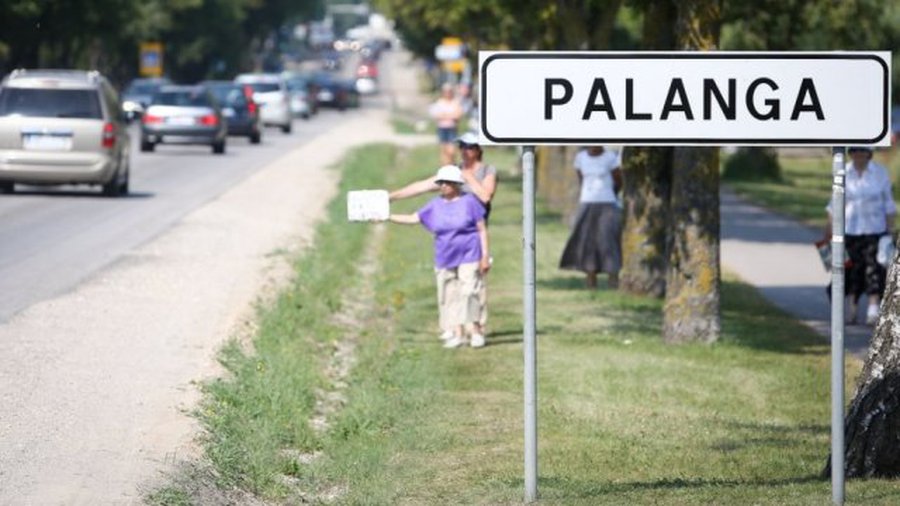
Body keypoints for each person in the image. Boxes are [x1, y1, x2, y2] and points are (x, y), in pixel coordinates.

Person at [389, 132, 498, 338]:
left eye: (470, 147)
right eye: (462, 147)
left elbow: (485, 195)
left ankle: (476, 328)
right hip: (450, 234)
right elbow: (422, 186)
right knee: (451, 287)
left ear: (478, 150)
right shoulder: (452, 172)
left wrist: (468, 177)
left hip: (474, 231)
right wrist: (391, 198)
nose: (466, 151)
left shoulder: (486, 171)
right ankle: (456, 328)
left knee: (474, 286)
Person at [825, 146, 896, 324]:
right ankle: (852, 311)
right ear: (850, 153)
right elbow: (834, 205)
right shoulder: (844, 172)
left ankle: (872, 310)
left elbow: (888, 204)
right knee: (850, 272)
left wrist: (889, 232)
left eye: (862, 151)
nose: (858, 154)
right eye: (855, 151)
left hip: (875, 229)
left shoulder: (879, 173)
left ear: (869, 153)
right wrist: (828, 232)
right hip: (849, 231)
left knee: (874, 271)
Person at [559, 145, 623, 289]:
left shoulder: (610, 158)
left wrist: (611, 192)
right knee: (587, 242)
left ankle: (613, 281)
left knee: (609, 240)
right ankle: (590, 281)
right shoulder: (581, 158)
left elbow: (618, 179)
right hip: (587, 202)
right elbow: (581, 178)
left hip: (607, 203)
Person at [429, 83, 463, 165]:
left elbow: (458, 115)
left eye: (449, 91)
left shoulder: (455, 102)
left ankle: (452, 165)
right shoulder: (439, 102)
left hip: (452, 128)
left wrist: (445, 115)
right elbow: (436, 115)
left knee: (452, 150)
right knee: (443, 150)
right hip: (442, 128)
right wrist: (450, 115)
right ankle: (444, 168)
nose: (447, 93)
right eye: (446, 91)